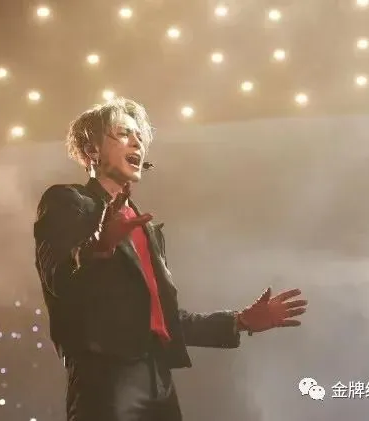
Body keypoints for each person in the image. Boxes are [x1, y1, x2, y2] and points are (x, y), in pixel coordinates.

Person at [33, 97, 308, 421]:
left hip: (158, 379)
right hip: (104, 378)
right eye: (123, 134)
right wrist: (100, 244)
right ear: (92, 149)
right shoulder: (67, 201)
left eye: (140, 137)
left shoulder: (146, 229)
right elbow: (59, 278)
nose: (137, 142)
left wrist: (239, 321)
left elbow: (164, 320)